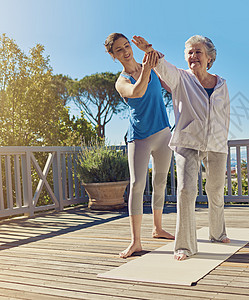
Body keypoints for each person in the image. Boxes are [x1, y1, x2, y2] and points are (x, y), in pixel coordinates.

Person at [132, 34, 231, 260]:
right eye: (189, 52)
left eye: (198, 52)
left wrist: (222, 141)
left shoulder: (222, 84)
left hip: (216, 144)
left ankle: (217, 233)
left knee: (215, 190)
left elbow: (225, 115)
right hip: (187, 141)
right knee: (186, 191)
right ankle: (184, 246)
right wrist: (149, 50)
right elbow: (162, 66)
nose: (193, 56)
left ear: (209, 57)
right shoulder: (181, 78)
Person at [104, 33, 174, 258]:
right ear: (113, 56)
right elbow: (137, 92)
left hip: (163, 132)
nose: (125, 51)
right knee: (137, 185)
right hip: (140, 137)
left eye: (127, 46)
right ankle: (136, 242)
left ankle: (158, 227)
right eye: (119, 50)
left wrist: (149, 49)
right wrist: (146, 67)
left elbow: (169, 76)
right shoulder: (122, 81)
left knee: (160, 181)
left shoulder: (150, 65)